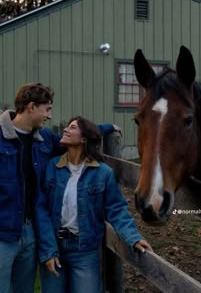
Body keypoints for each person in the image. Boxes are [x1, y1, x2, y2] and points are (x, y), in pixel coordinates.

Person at [0, 82, 121, 293]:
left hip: (30, 233)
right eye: (47, 109)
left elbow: (77, 136)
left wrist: (107, 127)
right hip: (2, 234)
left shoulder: (44, 139)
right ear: (31, 107)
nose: (48, 116)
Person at [35, 116, 153, 293]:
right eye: (67, 127)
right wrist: (48, 250)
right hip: (55, 248)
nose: (66, 130)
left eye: (72, 127)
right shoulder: (52, 167)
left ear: (84, 139)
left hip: (85, 252)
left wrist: (133, 237)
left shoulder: (102, 173)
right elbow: (41, 208)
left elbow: (116, 209)